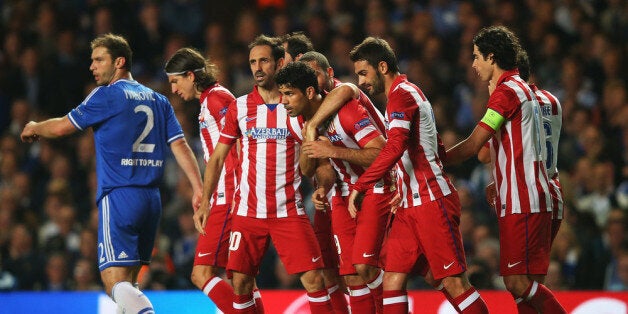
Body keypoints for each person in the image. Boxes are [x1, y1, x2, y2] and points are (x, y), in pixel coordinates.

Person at [20, 33, 203, 314]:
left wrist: (34, 126)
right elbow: (180, 146)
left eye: (98, 60)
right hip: (151, 200)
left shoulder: (106, 94)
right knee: (128, 283)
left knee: (112, 282)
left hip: (119, 196)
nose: (92, 66)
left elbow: (61, 127)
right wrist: (198, 189)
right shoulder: (158, 99)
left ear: (119, 61)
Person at [307, 37, 488, 313]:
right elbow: (433, 146)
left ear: (382, 66)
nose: (362, 81)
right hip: (408, 205)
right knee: (392, 280)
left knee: (454, 283)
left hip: (431, 200)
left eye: (364, 73)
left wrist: (362, 186)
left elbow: (393, 148)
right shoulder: (403, 95)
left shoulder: (403, 94)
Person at [192, 34, 333, 313]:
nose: (257, 67)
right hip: (247, 212)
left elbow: (312, 168)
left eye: (264, 61)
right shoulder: (240, 107)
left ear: (280, 63)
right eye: (253, 62)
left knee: (315, 280)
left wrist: (315, 159)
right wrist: (206, 200)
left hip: (287, 210)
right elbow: (218, 157)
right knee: (241, 284)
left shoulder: (296, 106)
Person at [445, 26, 566, 313]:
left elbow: (477, 146)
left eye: (476, 57)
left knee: (515, 282)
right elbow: (515, 147)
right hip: (541, 191)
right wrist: (500, 177)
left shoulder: (506, 92)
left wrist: (434, 159)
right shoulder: (534, 95)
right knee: (527, 290)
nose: (473, 64)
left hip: (522, 198)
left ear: (492, 57)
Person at [278, 61, 393, 313]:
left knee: (365, 267)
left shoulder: (346, 109)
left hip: (378, 186)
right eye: (282, 95)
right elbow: (312, 168)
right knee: (351, 277)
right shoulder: (296, 122)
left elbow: (382, 153)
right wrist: (322, 182)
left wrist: (331, 149)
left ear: (309, 92)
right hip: (343, 193)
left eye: (289, 94)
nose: (283, 101)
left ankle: (393, 302)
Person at [165, 47, 264, 313]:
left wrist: (224, 195)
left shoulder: (216, 100)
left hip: (228, 196)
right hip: (232, 194)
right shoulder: (211, 99)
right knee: (241, 277)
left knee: (202, 273)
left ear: (190, 75)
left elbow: (241, 141)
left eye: (175, 81)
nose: (173, 89)